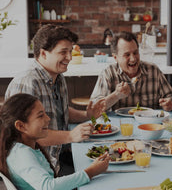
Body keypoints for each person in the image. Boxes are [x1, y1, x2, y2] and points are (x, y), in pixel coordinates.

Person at [5, 24, 106, 174]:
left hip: (60, 154)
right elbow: (27, 136)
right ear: (44, 54)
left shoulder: (58, 77)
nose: (70, 58)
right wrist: (71, 135)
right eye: (63, 52)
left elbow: (61, 112)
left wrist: (86, 116)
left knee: (108, 162)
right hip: (42, 167)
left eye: (70, 51)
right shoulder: (28, 83)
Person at [0, 93, 110, 190]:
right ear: (20, 126)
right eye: (40, 116)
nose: (48, 119)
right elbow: (48, 186)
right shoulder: (22, 154)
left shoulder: (23, 148)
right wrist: (90, 172)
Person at [90, 31, 172, 111]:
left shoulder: (153, 71)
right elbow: (94, 108)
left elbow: (171, 98)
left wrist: (170, 104)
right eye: (127, 55)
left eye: (135, 53)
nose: (133, 59)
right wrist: (116, 95)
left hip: (149, 126)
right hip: (120, 126)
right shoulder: (108, 74)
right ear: (115, 57)